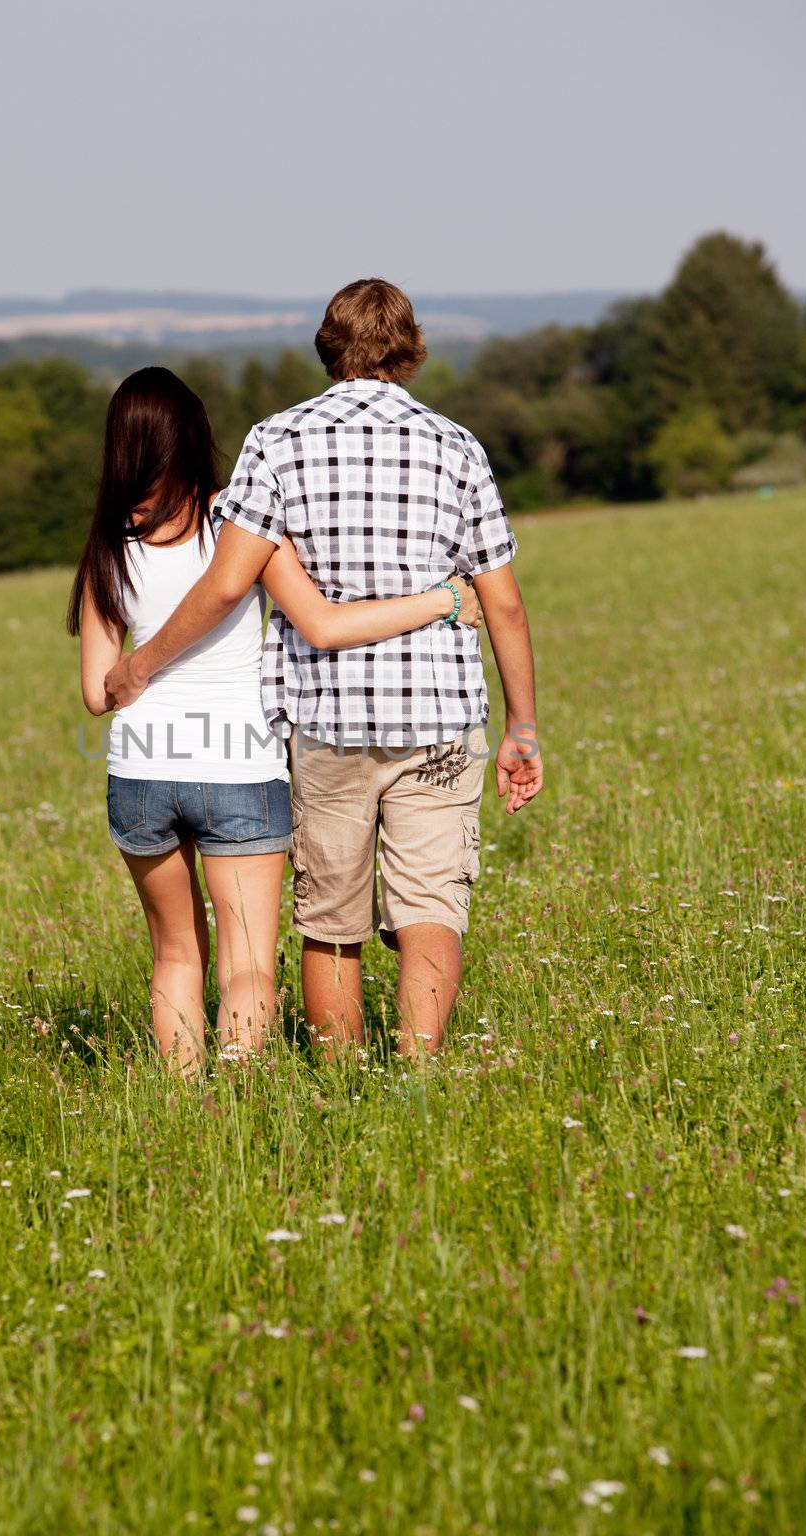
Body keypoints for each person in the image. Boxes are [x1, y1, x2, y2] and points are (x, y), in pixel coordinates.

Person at [106, 284, 543, 1059]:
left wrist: (141, 663)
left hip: (326, 721)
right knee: (430, 909)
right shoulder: (456, 445)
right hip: (439, 716)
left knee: (329, 920)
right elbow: (501, 605)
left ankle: (338, 1080)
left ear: (326, 346)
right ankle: (414, 1084)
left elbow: (226, 581)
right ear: (409, 347)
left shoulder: (274, 441)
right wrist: (522, 726)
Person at [69, 365, 479, 1072]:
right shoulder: (241, 522)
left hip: (139, 771)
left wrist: (140, 665)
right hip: (239, 770)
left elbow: (97, 695)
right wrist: (442, 600)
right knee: (249, 965)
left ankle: (180, 1104)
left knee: (174, 953)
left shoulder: (106, 547)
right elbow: (320, 621)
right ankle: (238, 1103)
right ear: (197, 436)